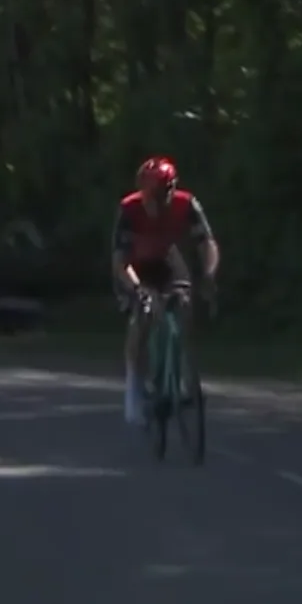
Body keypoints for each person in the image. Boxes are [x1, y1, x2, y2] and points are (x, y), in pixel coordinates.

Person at [111, 156, 219, 426]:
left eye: (162, 197)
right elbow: (120, 262)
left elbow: (206, 243)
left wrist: (208, 274)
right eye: (150, 197)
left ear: (172, 190)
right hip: (134, 267)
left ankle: (182, 377)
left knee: (183, 302)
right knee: (143, 315)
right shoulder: (129, 209)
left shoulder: (187, 204)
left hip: (166, 261)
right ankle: (135, 387)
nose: (155, 204)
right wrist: (136, 289)